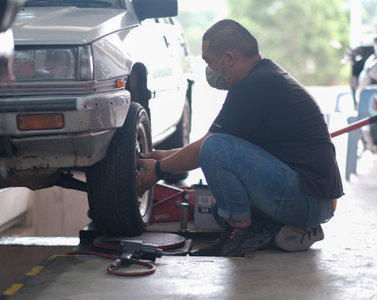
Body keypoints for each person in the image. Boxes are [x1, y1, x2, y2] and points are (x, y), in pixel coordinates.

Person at [136, 19, 343, 257]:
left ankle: (241, 233)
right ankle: (281, 229)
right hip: (312, 197)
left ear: (229, 58)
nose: (209, 69)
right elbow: (205, 144)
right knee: (220, 207)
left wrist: (158, 170)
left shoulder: (254, 85)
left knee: (217, 153)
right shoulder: (263, 76)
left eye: (209, 61)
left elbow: (209, 147)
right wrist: (161, 155)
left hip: (309, 199)